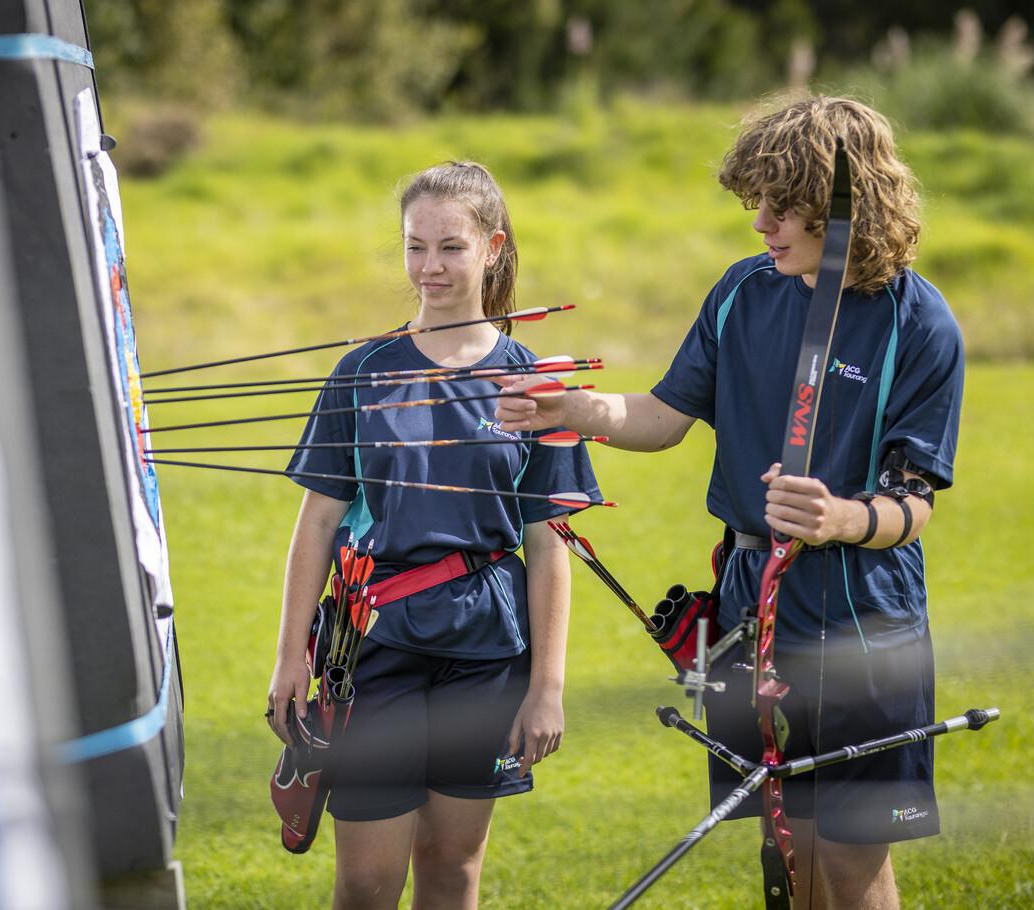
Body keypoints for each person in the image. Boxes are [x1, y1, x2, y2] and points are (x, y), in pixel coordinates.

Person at [493, 96, 963, 910]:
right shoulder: (744, 292)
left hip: (867, 618)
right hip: (749, 602)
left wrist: (844, 517)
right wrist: (574, 409)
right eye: (758, 204)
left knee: (852, 863)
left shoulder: (920, 323)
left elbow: (913, 503)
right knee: (786, 850)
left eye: (783, 206)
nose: (762, 225)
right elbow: (663, 416)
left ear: (840, 206)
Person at [266, 161, 601, 910]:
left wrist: (546, 689)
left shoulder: (532, 385)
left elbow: (549, 545)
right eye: (416, 247)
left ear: (493, 248)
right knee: (366, 881)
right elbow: (318, 520)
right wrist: (291, 654)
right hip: (374, 650)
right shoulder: (362, 372)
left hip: (486, 654)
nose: (430, 268)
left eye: (451, 247)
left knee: (452, 868)